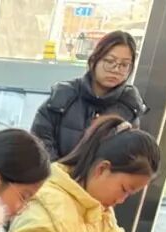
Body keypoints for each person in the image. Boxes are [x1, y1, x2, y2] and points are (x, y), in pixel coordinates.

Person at [4, 116, 160, 232]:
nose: (122, 200)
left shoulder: (98, 204)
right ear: (102, 169)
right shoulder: (46, 199)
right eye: (124, 189)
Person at [31, 30, 146, 161]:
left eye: (124, 65)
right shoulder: (62, 97)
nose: (116, 69)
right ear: (93, 60)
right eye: (110, 61)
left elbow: (128, 159)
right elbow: (39, 143)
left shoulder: (129, 108)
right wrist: (59, 170)